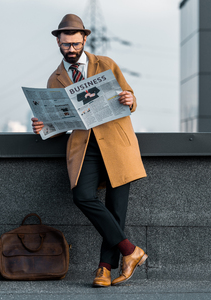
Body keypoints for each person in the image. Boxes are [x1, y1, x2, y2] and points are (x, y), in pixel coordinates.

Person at [31, 14, 147, 287]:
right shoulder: (55, 78)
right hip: (84, 147)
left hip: (116, 143)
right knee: (82, 196)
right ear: (57, 42)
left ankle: (104, 269)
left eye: (74, 44)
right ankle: (131, 251)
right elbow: (60, 124)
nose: (70, 50)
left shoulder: (105, 64)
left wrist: (130, 99)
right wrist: (43, 126)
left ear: (84, 38)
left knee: (116, 209)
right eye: (65, 45)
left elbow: (129, 97)